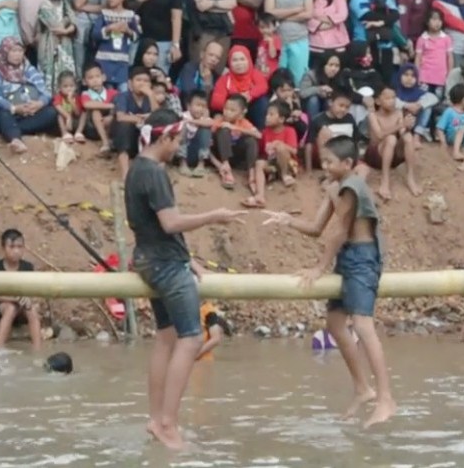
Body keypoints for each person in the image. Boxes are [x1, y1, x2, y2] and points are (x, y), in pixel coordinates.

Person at [126, 107, 245, 449]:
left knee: (165, 338)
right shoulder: (155, 173)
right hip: (166, 266)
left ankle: (155, 418)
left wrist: (190, 261)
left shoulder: (135, 169)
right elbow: (170, 223)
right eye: (177, 140)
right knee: (190, 339)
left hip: (149, 260)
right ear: (165, 137)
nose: (178, 147)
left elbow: (153, 229)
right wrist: (215, 216)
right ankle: (168, 423)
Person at [263, 135, 396, 428]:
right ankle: (363, 388)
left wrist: (319, 268)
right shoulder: (335, 187)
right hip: (347, 257)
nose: (324, 166)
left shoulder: (351, 186)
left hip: (363, 258)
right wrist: (288, 220)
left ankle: (386, 398)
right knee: (335, 324)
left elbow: (339, 230)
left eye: (329, 162)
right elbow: (316, 228)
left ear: (348, 164)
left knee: (362, 325)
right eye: (322, 161)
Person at [0, 36, 57, 153]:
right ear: (5, 52)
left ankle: (11, 129)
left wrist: (39, 104)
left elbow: (46, 92)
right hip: (10, 112)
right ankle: (15, 139)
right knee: (2, 115)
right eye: (13, 51)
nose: (17, 55)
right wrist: (14, 108)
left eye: (20, 51)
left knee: (51, 112)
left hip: (31, 112)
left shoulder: (28, 68)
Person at [364, 86, 421, 199]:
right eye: (388, 98)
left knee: (408, 137)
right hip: (377, 155)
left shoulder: (398, 113)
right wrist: (401, 125)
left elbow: (401, 131)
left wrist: (408, 126)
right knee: (391, 138)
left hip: (393, 155)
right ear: (378, 101)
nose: (392, 101)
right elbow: (379, 135)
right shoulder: (373, 115)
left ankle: (410, 178)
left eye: (394, 98)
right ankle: (385, 181)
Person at [0, 228, 42, 350]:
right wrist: (13, 299)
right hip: (3, 306)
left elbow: (32, 290)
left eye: (20, 247)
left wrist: (28, 300)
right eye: (12, 247)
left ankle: (38, 349)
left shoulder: (28, 267)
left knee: (32, 310)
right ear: (3, 248)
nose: (16, 251)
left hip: (23, 304)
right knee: (11, 308)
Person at [245, 99, 298, 208]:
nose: (267, 117)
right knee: (259, 163)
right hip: (272, 165)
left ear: (282, 119)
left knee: (280, 147)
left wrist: (279, 144)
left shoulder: (289, 131)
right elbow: (261, 152)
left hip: (288, 164)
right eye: (267, 114)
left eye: (271, 114)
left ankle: (285, 175)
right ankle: (260, 195)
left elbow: (294, 151)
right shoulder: (265, 132)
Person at [111, 66, 153, 179]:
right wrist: (140, 119)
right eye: (138, 80)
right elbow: (120, 117)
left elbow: (158, 115)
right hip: (126, 137)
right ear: (130, 83)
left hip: (142, 139)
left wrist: (151, 95)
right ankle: (125, 174)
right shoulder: (123, 96)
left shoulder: (150, 98)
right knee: (124, 125)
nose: (142, 83)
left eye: (146, 81)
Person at [177, 90, 212, 177]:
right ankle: (182, 163)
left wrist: (193, 121)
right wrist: (186, 121)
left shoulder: (204, 119)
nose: (200, 109)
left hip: (197, 153)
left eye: (203, 106)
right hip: (184, 152)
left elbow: (210, 123)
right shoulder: (184, 115)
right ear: (189, 106)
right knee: (182, 126)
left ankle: (201, 165)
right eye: (198, 105)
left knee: (205, 129)